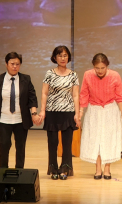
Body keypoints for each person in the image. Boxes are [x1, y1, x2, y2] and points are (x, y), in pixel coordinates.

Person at [79, 53, 122, 179]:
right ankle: (98, 168)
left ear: (107, 66)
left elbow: (120, 96)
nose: (100, 71)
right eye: (97, 68)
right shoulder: (88, 75)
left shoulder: (115, 76)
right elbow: (84, 94)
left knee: (108, 139)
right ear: (93, 66)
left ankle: (107, 169)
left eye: (102, 68)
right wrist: (81, 111)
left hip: (110, 110)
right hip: (94, 110)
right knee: (96, 139)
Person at [0, 52, 40, 169]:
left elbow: (32, 98)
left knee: (20, 147)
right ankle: (3, 171)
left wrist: (34, 114)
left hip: (20, 120)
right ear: (6, 64)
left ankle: (19, 172)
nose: (15, 66)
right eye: (12, 64)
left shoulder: (26, 79)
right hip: (4, 119)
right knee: (4, 146)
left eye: (17, 64)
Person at [39, 46, 80, 180]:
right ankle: (53, 169)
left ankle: (65, 169)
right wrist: (42, 110)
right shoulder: (49, 73)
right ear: (55, 58)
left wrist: (77, 113)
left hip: (68, 112)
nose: (63, 58)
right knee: (52, 143)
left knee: (67, 143)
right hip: (52, 111)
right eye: (60, 55)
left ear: (68, 57)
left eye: (65, 55)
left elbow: (75, 95)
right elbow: (44, 93)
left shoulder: (73, 75)